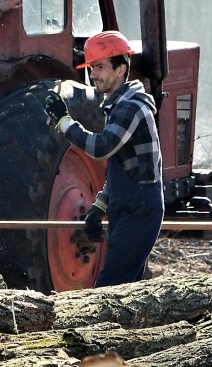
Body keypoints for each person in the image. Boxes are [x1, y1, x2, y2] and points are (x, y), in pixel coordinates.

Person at [45, 31, 163, 285]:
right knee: (126, 286)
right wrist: (99, 207)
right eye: (91, 68)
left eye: (99, 67)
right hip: (127, 205)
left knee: (110, 286)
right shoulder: (117, 106)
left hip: (140, 208)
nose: (92, 75)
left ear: (121, 69)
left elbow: (102, 148)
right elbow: (119, 168)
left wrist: (65, 123)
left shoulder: (133, 107)